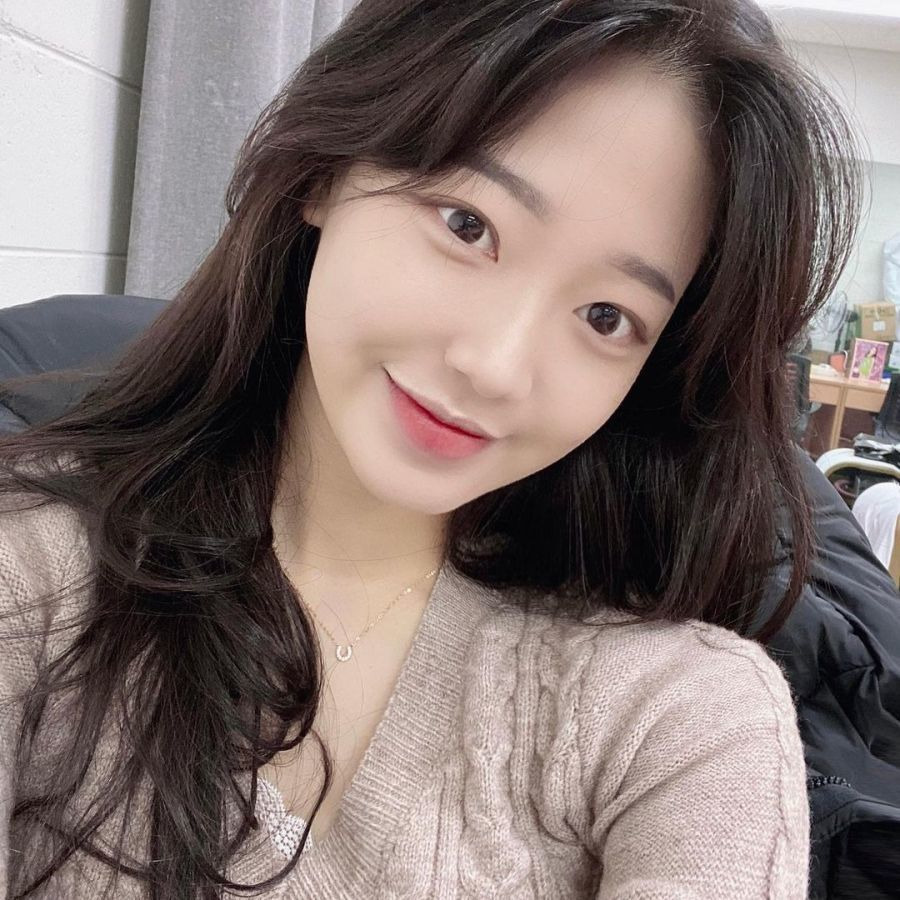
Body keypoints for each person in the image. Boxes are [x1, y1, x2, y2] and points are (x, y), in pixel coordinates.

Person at [0, 0, 862, 897]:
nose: (495, 367)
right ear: (326, 172)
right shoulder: (31, 568)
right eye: (467, 225)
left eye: (606, 316)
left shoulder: (677, 720)